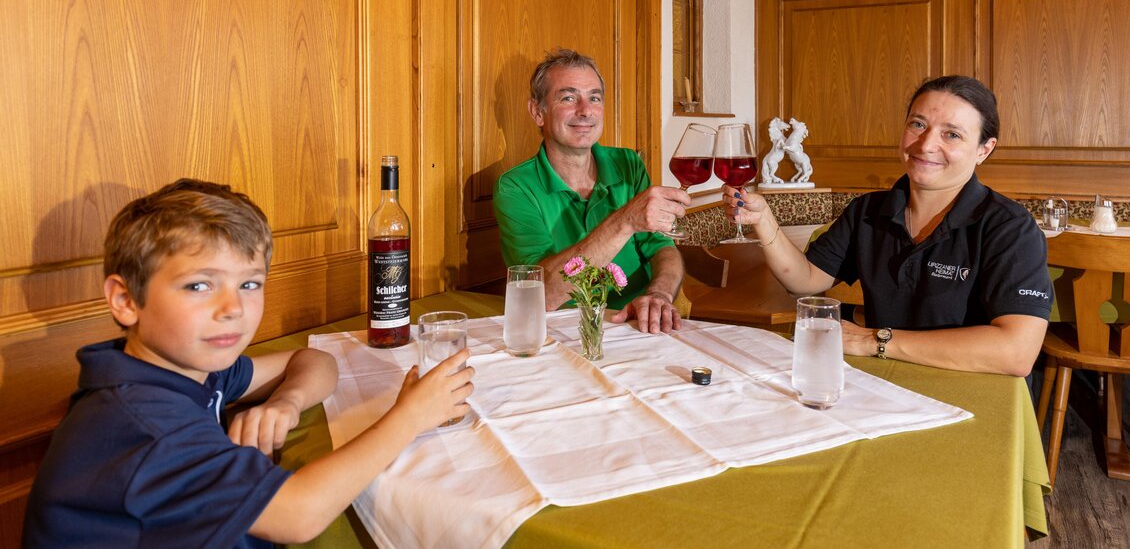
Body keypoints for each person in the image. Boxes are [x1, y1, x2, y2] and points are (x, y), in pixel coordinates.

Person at [23, 179, 474, 548]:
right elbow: (299, 514)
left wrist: (287, 403)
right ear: (125, 300)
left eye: (250, 283)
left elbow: (314, 360)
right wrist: (409, 417)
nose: (232, 308)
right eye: (200, 286)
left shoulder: (181, 367)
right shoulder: (140, 424)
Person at [724, 76, 1052, 376]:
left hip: (970, 385)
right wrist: (764, 220)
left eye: (951, 134)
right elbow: (805, 281)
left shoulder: (1010, 228)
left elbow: (1016, 354)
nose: (925, 145)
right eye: (918, 124)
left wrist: (874, 341)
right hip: (881, 379)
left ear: (984, 149)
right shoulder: (868, 210)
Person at [494, 48, 689, 333]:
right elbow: (544, 295)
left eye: (594, 98)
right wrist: (624, 221)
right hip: (562, 333)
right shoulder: (515, 188)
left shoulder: (628, 164)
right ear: (538, 112)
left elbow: (662, 247)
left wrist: (658, 294)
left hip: (637, 326)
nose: (585, 111)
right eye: (569, 98)